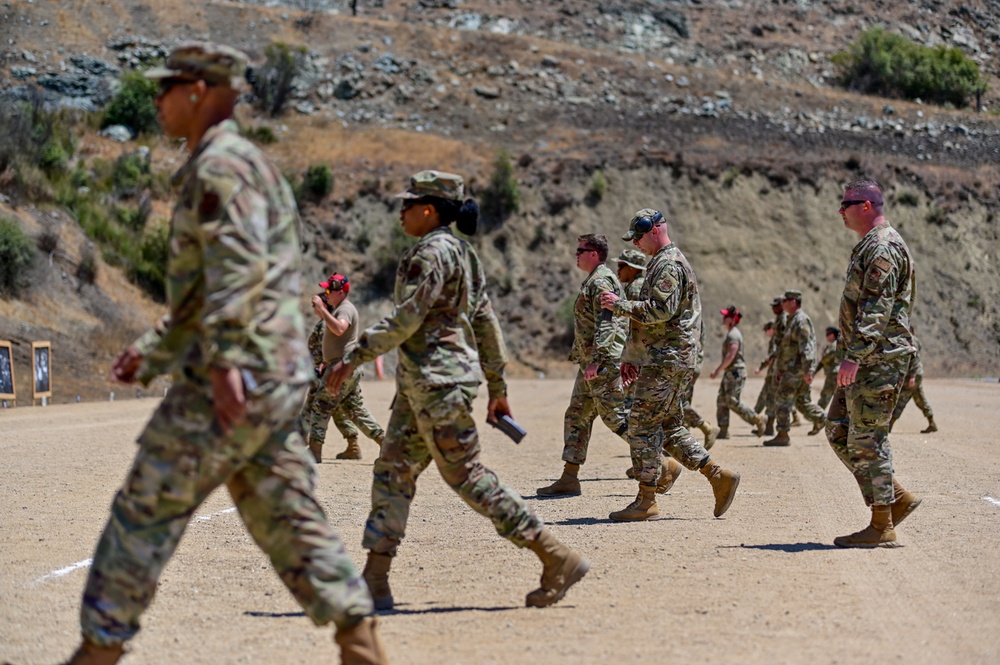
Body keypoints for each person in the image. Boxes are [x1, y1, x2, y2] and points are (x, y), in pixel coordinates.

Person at [63, 43, 385, 665]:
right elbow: (219, 286)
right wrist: (153, 350)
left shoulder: (219, 166)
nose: (156, 101)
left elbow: (233, 275)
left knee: (142, 514)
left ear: (197, 91)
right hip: (272, 374)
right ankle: (360, 642)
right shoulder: (246, 163)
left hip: (234, 377)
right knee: (289, 514)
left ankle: (97, 651)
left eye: (165, 89)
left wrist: (225, 365)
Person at [325, 170, 588, 610]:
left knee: (466, 475)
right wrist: (497, 384)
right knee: (392, 470)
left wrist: (351, 357)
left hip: (438, 384)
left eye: (407, 204)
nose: (401, 212)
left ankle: (554, 555)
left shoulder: (430, 254)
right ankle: (374, 578)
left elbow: (406, 319)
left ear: (428, 210)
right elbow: (485, 321)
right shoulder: (464, 255)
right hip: (421, 386)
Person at [599, 209, 740, 522]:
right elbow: (651, 322)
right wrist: (632, 357)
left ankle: (646, 499)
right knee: (668, 426)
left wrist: (618, 305)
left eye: (637, 236)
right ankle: (719, 476)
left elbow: (660, 311)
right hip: (665, 356)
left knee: (640, 424)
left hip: (667, 358)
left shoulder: (668, 264)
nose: (635, 243)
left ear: (653, 230)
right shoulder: (660, 262)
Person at [537, 237, 680, 496]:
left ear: (593, 254)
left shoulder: (601, 280)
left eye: (580, 250)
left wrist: (598, 360)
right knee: (577, 415)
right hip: (590, 362)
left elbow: (610, 322)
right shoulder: (595, 279)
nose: (575, 254)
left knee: (615, 417)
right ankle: (570, 476)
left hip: (600, 362)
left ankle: (662, 462)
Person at [827, 179, 921, 548]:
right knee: (837, 428)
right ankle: (893, 496)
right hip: (868, 357)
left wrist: (854, 355)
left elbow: (876, 308)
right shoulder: (870, 245)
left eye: (846, 203)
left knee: (869, 436)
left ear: (866, 206)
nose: (841, 210)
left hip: (878, 358)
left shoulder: (882, 247)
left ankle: (882, 524)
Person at [617, 249, 684, 490]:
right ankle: (653, 463)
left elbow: (637, 326)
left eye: (622, 265)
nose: (618, 270)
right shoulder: (637, 285)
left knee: (637, 417)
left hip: (645, 358)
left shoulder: (635, 288)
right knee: (642, 417)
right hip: (647, 357)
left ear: (633, 267)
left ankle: (657, 464)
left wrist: (629, 357)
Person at [301, 273, 385, 462]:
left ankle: (314, 452)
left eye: (329, 290)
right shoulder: (340, 308)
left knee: (320, 406)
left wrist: (322, 309)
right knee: (355, 410)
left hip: (341, 367)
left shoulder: (344, 309)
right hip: (342, 365)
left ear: (340, 292)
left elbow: (340, 328)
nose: (326, 294)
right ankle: (385, 442)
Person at [763, 289, 827, 445]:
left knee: (781, 400)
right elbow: (786, 348)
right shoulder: (792, 320)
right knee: (801, 402)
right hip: (790, 369)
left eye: (785, 301)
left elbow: (807, 347)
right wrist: (780, 368)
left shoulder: (801, 321)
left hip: (796, 370)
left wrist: (808, 370)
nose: (782, 304)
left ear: (793, 302)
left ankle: (783, 435)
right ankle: (827, 420)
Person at [709, 306, 766, 439]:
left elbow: (730, 355)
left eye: (726, 316)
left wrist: (717, 370)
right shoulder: (731, 333)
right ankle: (723, 430)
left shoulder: (734, 335)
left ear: (732, 320)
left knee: (731, 400)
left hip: (735, 372)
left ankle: (757, 418)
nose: (723, 319)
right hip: (731, 371)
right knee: (722, 400)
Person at [889, 330, 937, 433]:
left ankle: (890, 425)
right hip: (915, 374)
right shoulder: (913, 340)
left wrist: (912, 376)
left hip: (913, 374)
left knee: (902, 398)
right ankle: (932, 424)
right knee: (919, 398)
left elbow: (915, 359)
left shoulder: (911, 340)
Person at [815, 327, 840, 411]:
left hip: (833, 375)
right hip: (836, 374)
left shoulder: (834, 345)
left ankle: (818, 419)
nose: (826, 337)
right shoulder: (836, 344)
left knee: (825, 397)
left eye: (828, 334)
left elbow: (825, 359)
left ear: (833, 335)